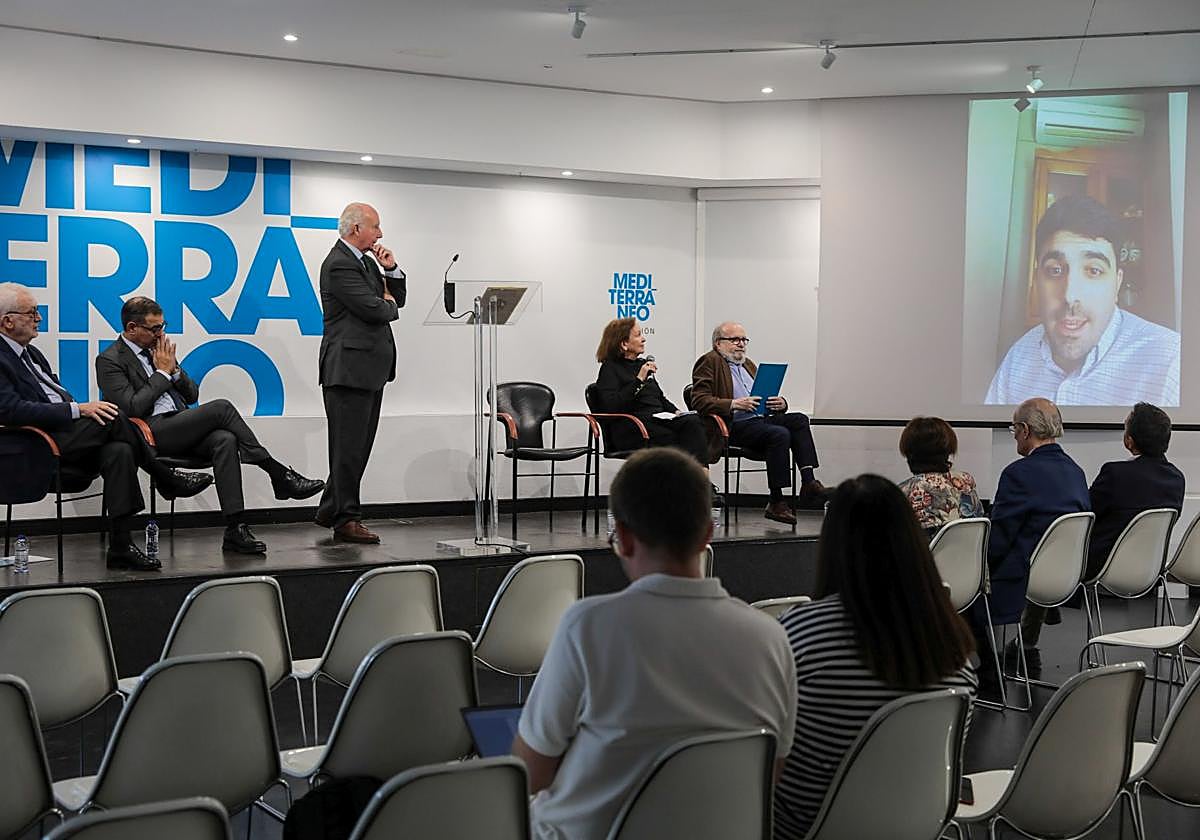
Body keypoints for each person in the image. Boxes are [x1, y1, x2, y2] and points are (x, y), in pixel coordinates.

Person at [513, 448, 796, 840]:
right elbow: (770, 774)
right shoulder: (770, 638)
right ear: (708, 534)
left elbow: (530, 773)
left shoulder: (589, 627)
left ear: (624, 538)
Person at [773, 474, 977, 840]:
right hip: (917, 824)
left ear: (832, 545)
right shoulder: (952, 647)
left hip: (809, 828)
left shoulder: (798, 633)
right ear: (912, 544)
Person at [0, 283, 212, 570]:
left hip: (65, 433)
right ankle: (164, 476)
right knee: (115, 415)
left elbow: (53, 395)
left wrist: (79, 410)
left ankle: (120, 546)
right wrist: (78, 409)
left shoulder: (32, 354)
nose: (38, 318)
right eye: (32, 313)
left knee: (119, 450)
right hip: (36, 442)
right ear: (8, 321)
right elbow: (10, 410)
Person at [96, 296, 324, 554]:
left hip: (176, 424)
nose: (161, 334)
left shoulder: (159, 352)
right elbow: (131, 408)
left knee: (224, 439)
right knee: (222, 407)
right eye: (154, 328)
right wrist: (161, 374)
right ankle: (278, 473)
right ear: (131, 328)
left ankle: (235, 528)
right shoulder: (110, 360)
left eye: (163, 326)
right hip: (146, 433)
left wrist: (175, 372)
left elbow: (191, 395)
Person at [986, 195, 1179, 407]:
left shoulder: (1171, 363)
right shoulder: (1018, 357)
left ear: (1117, 283)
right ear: (1035, 281)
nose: (1070, 296)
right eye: (1055, 270)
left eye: (1094, 270)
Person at [314, 202, 406, 544]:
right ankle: (346, 519)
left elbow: (396, 299)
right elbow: (373, 309)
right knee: (348, 449)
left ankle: (331, 509)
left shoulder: (366, 262)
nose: (381, 234)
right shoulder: (338, 264)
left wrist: (391, 270)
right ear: (356, 229)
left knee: (358, 447)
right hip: (347, 370)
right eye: (376, 227)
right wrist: (385, 302)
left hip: (369, 369)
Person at [986, 398, 1089, 674]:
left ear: (1024, 430)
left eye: (1013, 431)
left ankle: (986, 669)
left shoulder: (1018, 474)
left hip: (1024, 579)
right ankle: (1023, 647)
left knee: (963, 580)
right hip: (1065, 577)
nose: (1015, 437)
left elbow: (998, 540)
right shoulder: (1076, 472)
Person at [691, 322, 827, 525]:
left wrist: (780, 403)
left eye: (744, 340)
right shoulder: (709, 361)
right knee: (779, 434)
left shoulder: (748, 364)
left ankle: (808, 481)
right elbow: (699, 400)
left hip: (759, 419)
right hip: (732, 426)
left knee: (798, 420)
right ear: (718, 343)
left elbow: (760, 396)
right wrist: (734, 404)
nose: (741, 344)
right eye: (735, 340)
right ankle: (776, 500)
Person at [1085, 402, 1185, 581]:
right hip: (1151, 569)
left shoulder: (1115, 474)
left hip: (1103, 566)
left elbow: (1086, 513)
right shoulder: (1176, 479)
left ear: (1129, 440)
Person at [593, 318, 710, 468]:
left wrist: (676, 411)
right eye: (638, 335)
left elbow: (659, 398)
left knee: (693, 422)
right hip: (631, 427)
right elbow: (612, 406)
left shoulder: (641, 364)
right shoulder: (610, 368)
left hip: (656, 421)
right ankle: (681, 485)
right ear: (624, 344)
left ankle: (702, 481)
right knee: (674, 437)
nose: (643, 339)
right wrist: (639, 380)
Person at [896, 416, 984, 536]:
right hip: (966, 554)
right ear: (948, 450)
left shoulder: (903, 491)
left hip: (923, 555)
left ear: (909, 453)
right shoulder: (965, 481)